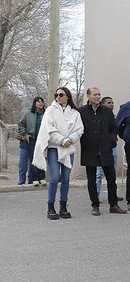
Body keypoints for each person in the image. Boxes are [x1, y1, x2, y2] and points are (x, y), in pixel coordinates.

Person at [32, 87, 84, 220]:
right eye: (56, 95)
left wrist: (70, 139)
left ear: (67, 96)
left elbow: (79, 129)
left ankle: (63, 206)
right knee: (55, 177)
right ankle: (50, 207)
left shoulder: (75, 113)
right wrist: (61, 140)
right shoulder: (50, 110)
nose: (58, 97)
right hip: (55, 148)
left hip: (69, 148)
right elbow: (48, 129)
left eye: (61, 95)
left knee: (66, 178)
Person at [78, 87, 126, 216]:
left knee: (111, 178)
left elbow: (113, 128)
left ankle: (113, 205)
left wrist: (110, 140)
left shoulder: (106, 110)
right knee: (92, 180)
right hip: (89, 150)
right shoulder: (81, 111)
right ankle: (95, 205)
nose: (98, 97)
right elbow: (78, 129)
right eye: (95, 94)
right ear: (88, 96)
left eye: (99, 94)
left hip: (105, 149)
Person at [95, 96, 124, 202]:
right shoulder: (98, 116)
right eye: (108, 102)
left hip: (113, 147)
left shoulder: (115, 116)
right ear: (102, 104)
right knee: (99, 174)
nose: (111, 104)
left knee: (112, 173)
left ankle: (112, 195)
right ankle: (96, 196)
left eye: (112, 102)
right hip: (101, 148)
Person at [17, 96, 46, 186]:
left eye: (42, 101)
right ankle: (21, 182)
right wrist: (25, 134)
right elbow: (21, 124)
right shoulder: (28, 113)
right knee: (23, 163)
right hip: (28, 141)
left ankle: (31, 181)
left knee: (36, 160)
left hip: (39, 141)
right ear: (34, 103)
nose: (40, 103)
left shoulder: (45, 114)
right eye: (38, 101)